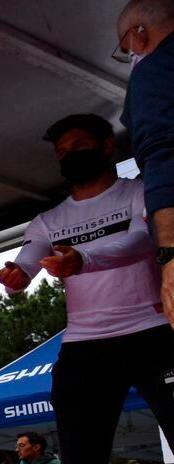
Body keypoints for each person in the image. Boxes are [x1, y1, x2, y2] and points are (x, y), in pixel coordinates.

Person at [0, 113, 174, 464]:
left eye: (79, 145)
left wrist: (83, 257)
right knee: (79, 452)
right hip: (85, 343)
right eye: (61, 153)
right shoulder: (50, 219)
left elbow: (144, 238)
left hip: (152, 330)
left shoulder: (139, 194)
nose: (70, 156)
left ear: (107, 147)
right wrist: (15, 277)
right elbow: (27, 263)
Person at [117, 0, 174, 326]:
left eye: (126, 50)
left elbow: (165, 158)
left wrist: (170, 258)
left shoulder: (152, 71)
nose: (131, 58)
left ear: (138, 35)